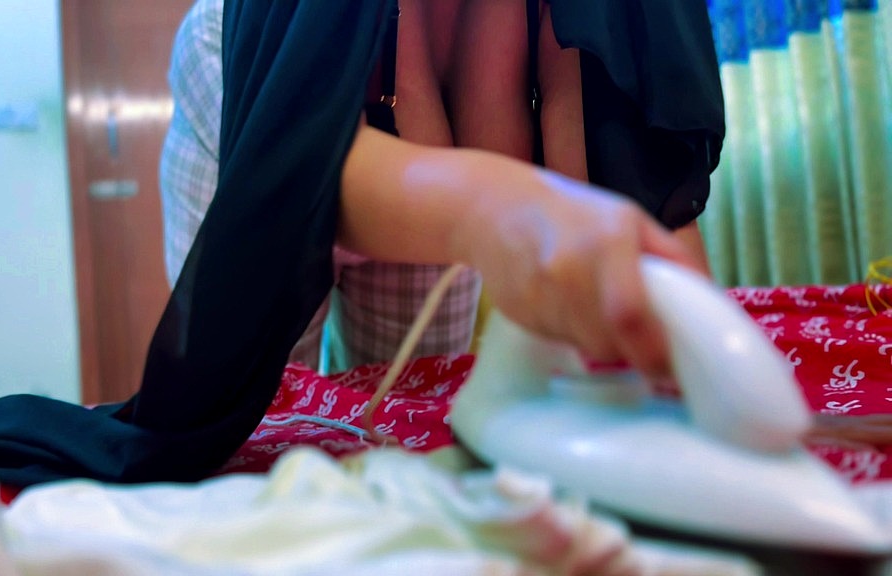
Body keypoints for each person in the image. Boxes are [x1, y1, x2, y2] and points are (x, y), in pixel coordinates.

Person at [160, 0, 721, 380]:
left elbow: (624, 196)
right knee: (255, 405)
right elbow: (298, 164)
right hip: (255, 102)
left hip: (448, 207)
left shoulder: (591, 20)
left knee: (399, 409)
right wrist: (497, 207)